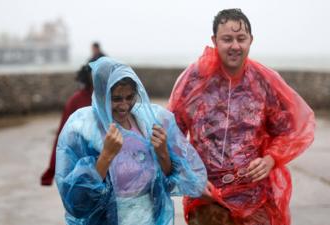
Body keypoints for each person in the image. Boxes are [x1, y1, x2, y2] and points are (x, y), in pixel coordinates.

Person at [168, 8, 315, 225]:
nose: (235, 46)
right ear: (214, 40)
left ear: (251, 40)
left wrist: (270, 159)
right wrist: (193, 178)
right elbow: (173, 134)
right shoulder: (194, 81)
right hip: (206, 193)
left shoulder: (264, 80)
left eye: (241, 39)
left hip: (256, 196)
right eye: (227, 39)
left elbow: (290, 129)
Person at [55, 57, 207, 224]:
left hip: (149, 218)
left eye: (130, 97)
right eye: (116, 99)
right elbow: (76, 203)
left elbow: (174, 184)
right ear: (101, 95)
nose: (124, 105)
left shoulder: (150, 121)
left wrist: (163, 153)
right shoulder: (83, 129)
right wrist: (106, 156)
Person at [40, 65, 93, 185]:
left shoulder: (110, 99)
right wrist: (53, 167)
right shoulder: (76, 101)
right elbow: (62, 134)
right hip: (79, 162)